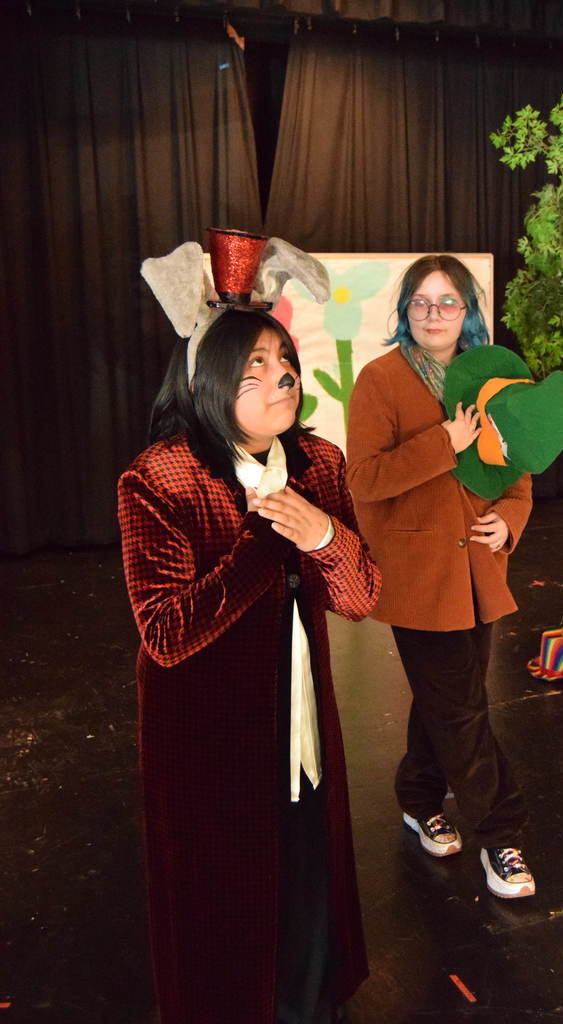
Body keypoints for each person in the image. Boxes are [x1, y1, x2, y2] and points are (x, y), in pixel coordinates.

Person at [118, 308, 381, 1024]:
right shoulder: (162, 477)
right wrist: (267, 543)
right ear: (208, 381)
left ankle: (306, 1001)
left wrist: (324, 536)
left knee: (304, 862)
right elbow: (166, 633)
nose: (281, 376)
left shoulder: (317, 461)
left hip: (299, 709)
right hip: (204, 733)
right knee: (222, 882)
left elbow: (360, 599)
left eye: (283, 359)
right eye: (254, 366)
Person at [346, 254, 535, 900]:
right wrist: (442, 444)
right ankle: (501, 835)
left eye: (447, 301)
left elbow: (517, 467)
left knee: (450, 698)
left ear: (467, 311)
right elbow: (364, 479)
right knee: (461, 710)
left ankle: (418, 796)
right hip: (418, 576)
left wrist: (511, 518)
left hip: (479, 568)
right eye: (421, 302)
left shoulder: (492, 378)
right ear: (405, 310)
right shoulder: (379, 380)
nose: (433, 314)